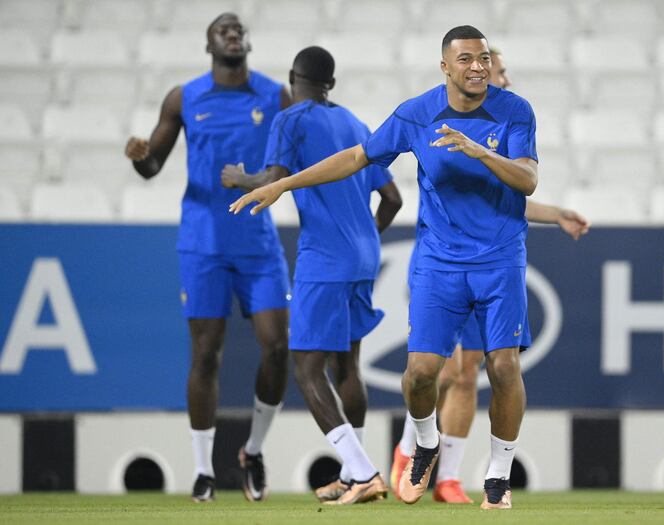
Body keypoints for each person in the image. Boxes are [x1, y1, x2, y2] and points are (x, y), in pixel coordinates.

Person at [230, 25, 539, 510]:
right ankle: (425, 443)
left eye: (483, 58)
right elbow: (357, 157)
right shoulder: (416, 115)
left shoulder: (515, 111)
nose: (478, 67)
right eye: (466, 59)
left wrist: (482, 151)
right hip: (439, 262)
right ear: (445, 66)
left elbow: (528, 179)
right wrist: (283, 185)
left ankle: (498, 477)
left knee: (503, 365)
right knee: (419, 376)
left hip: (500, 258)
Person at [389, 45, 591, 505]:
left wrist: (555, 213)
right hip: (444, 262)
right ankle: (414, 446)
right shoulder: (443, 121)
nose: (501, 77)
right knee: (441, 369)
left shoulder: (509, 122)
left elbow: (510, 193)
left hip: (493, 261)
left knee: (473, 372)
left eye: (496, 68)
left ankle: (451, 476)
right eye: (498, 70)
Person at [222, 46, 403, 505]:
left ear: (291, 79)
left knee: (305, 369)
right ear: (331, 84)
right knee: (348, 366)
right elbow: (393, 199)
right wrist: (366, 238)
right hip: (364, 258)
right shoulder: (354, 123)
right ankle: (350, 473)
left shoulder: (290, 119)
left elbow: (275, 178)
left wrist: (240, 180)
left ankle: (363, 473)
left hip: (324, 259)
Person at [124, 13, 292, 503]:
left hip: (258, 244)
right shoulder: (184, 97)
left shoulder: (274, 96)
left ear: (247, 41)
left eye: (238, 28)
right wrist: (139, 155)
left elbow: (286, 167)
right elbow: (153, 165)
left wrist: (250, 180)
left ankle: (254, 451)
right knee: (205, 353)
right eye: (224, 29)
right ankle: (202, 471)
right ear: (208, 44)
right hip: (203, 245)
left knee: (278, 348)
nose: (233, 33)